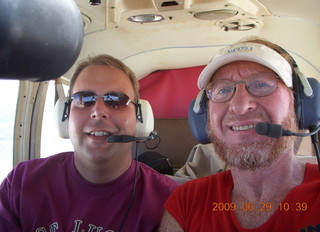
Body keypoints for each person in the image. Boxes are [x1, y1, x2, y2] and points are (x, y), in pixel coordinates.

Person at [0, 54, 178, 232]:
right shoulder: (21, 184)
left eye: (116, 100)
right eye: (84, 99)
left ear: (140, 118)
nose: (98, 111)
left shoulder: (170, 202)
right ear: (65, 114)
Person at [158, 38, 320, 231]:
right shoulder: (187, 201)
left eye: (261, 84)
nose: (240, 106)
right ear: (203, 115)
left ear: (300, 103)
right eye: (223, 89)